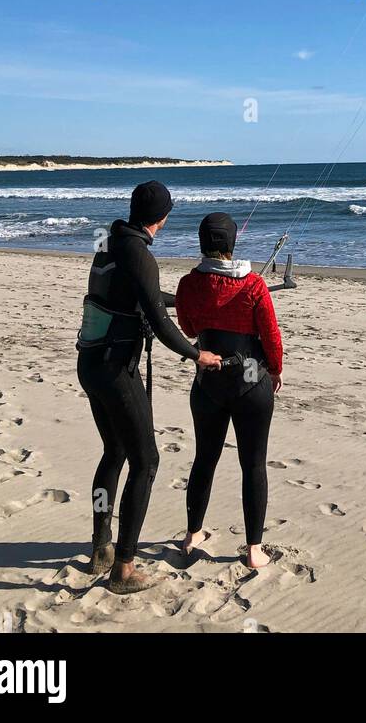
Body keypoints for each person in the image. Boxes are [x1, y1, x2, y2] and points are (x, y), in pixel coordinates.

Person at [76, 180, 222, 594]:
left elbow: (141, 295)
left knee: (114, 451)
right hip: (115, 368)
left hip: (90, 362)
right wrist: (197, 355)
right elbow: (158, 324)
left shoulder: (110, 243)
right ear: (163, 217)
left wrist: (180, 300)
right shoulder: (139, 253)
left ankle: (101, 547)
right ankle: (124, 568)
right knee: (147, 461)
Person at [175, 212, 283, 570]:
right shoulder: (253, 284)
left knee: (205, 458)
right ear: (232, 244)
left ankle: (193, 535)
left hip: (208, 384)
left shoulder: (189, 283)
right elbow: (270, 336)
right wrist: (276, 370)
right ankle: (254, 550)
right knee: (253, 465)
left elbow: (189, 329)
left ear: (203, 242)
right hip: (251, 382)